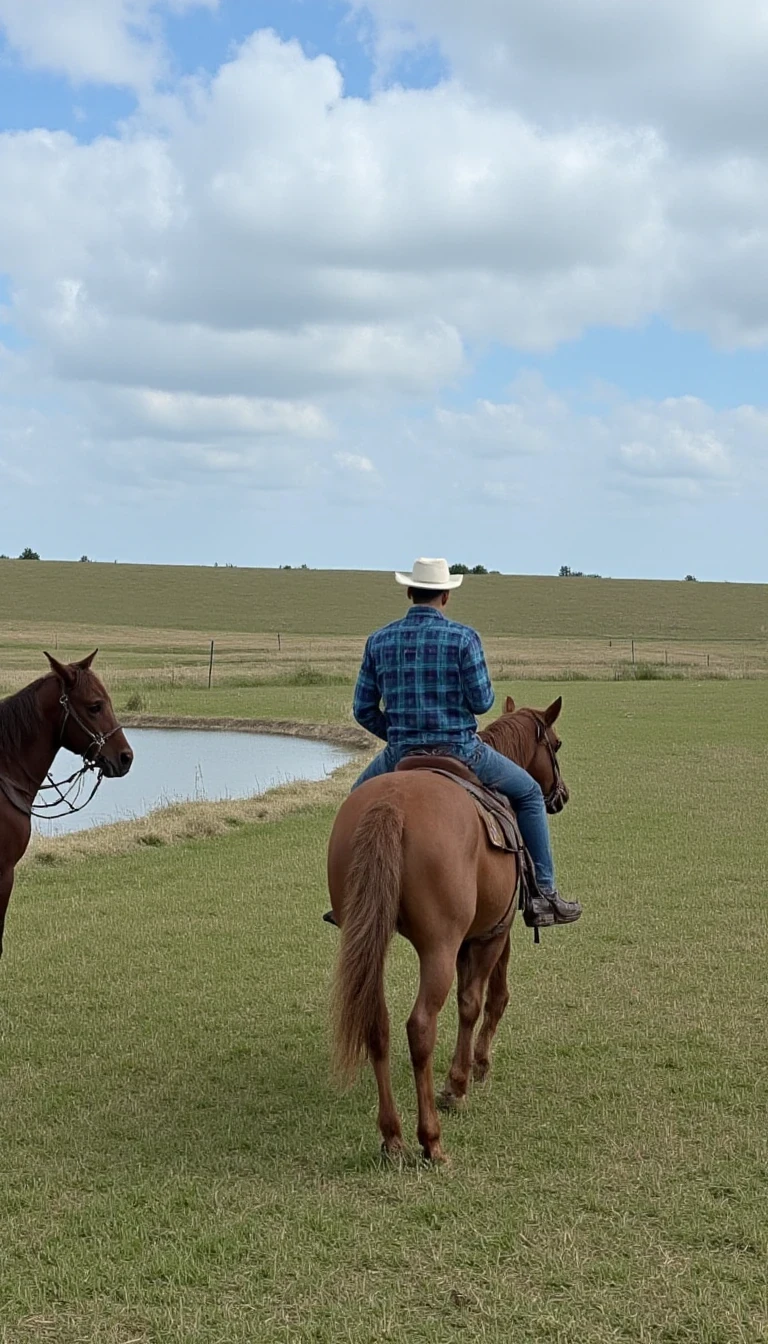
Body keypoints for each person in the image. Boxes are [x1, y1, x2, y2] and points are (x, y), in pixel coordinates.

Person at [326, 558, 581, 929]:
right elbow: (482, 702)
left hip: (401, 752)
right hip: (462, 750)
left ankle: (348, 900)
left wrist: (399, 734)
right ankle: (544, 894)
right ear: (445, 595)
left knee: (356, 799)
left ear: (410, 591)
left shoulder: (379, 641)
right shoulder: (464, 638)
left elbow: (363, 709)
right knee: (527, 792)